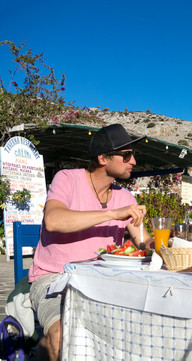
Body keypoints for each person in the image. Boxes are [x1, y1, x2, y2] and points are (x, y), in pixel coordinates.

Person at [28, 124, 150, 361]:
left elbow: (142, 240)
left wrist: (166, 246)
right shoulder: (67, 179)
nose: (133, 161)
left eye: (133, 155)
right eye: (126, 155)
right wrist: (113, 214)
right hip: (54, 278)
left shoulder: (124, 196)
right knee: (61, 335)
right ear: (102, 158)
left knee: (138, 326)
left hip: (102, 281)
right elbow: (53, 220)